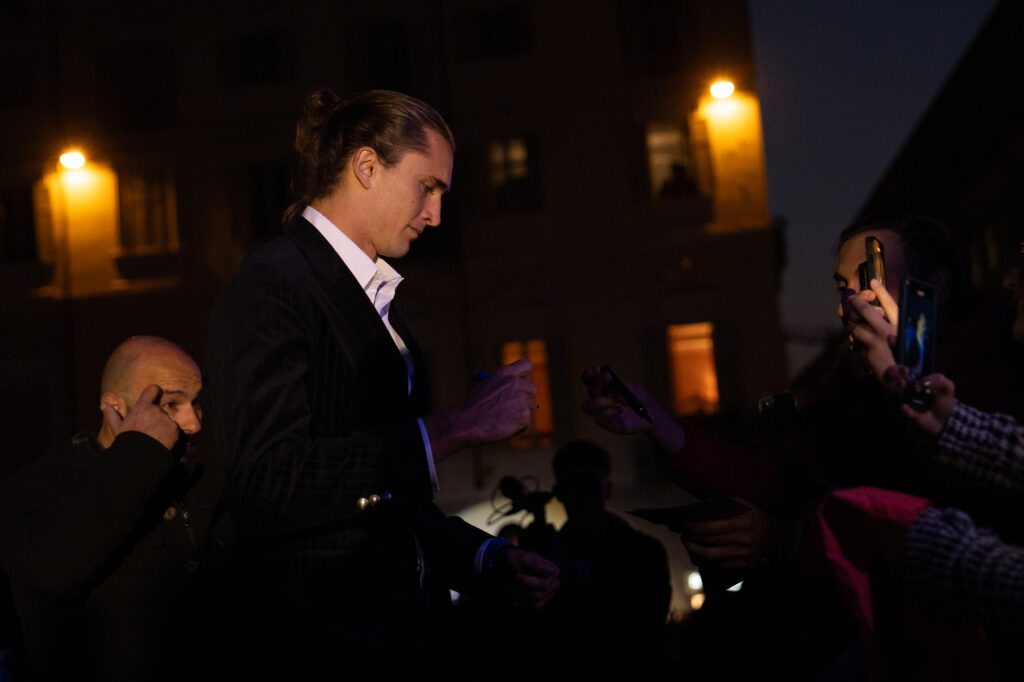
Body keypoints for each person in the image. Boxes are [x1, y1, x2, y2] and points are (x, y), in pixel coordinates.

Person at [205, 88, 559, 675]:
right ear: (366, 166)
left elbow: (384, 508)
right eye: (428, 187)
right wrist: (455, 426)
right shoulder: (273, 285)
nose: (436, 215)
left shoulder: (371, 302)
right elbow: (267, 482)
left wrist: (487, 558)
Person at [0, 335, 207, 682]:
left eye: (197, 403)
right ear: (115, 407)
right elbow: (50, 573)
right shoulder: (41, 486)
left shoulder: (194, 480)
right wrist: (138, 450)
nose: (194, 423)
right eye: (171, 405)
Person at [547, 440, 670, 669]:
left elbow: (644, 633)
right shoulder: (645, 551)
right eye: (573, 487)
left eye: (588, 486)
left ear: (607, 490)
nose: (582, 499)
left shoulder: (644, 553)